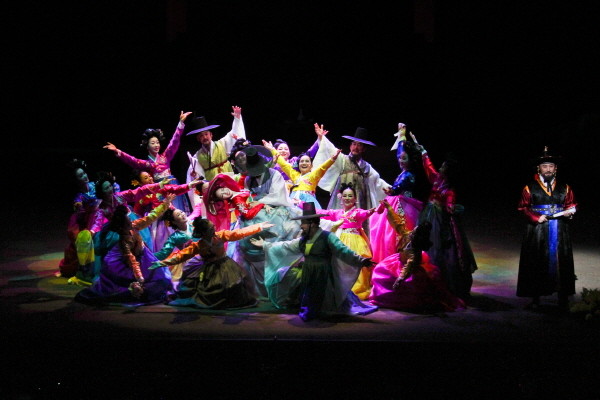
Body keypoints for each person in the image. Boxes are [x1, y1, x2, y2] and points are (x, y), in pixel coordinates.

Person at [251, 202, 378, 321]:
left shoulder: (327, 237)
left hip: (324, 273)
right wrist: (266, 245)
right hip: (308, 272)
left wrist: (361, 260)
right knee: (289, 279)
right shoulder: (304, 240)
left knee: (326, 302)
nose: (301, 226)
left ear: (312, 224)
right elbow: (286, 246)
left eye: (304, 223)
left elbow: (343, 251)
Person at [149, 217, 274, 309]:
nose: (214, 228)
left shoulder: (220, 236)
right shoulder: (198, 245)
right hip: (209, 269)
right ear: (204, 232)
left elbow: (238, 233)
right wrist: (163, 263)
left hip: (226, 266)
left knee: (232, 284)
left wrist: (258, 227)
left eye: (213, 226)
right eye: (211, 228)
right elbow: (181, 256)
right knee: (207, 287)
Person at [228, 145, 302, 297]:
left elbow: (278, 196)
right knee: (242, 237)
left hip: (276, 208)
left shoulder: (274, 174)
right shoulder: (248, 179)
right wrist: (250, 204)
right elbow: (248, 197)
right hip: (255, 212)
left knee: (281, 230)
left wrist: (261, 202)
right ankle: (253, 286)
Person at [74, 194, 176, 306]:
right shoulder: (124, 241)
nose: (130, 220)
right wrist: (139, 278)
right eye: (127, 220)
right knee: (127, 286)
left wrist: (165, 204)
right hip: (124, 262)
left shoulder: (134, 225)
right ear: (122, 226)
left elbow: (151, 217)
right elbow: (132, 261)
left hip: (141, 254)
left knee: (159, 276)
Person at [369, 199, 466, 312]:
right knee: (381, 270)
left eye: (414, 233)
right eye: (413, 231)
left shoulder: (414, 253)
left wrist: (400, 279)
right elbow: (397, 224)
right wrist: (389, 208)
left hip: (409, 270)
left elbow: (408, 267)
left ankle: (397, 300)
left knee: (410, 287)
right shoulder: (408, 235)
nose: (412, 232)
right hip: (397, 262)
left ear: (418, 237)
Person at [415, 140, 477, 301]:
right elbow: (429, 168)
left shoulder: (449, 190)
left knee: (439, 249)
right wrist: (423, 152)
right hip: (429, 216)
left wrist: (452, 208)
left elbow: (450, 205)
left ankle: (441, 280)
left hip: (439, 221)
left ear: (447, 173)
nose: (440, 168)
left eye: (443, 167)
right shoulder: (437, 179)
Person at [517, 146, 577, 310]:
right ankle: (535, 298)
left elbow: (571, 204)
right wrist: (536, 217)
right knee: (536, 260)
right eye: (545, 166)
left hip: (559, 229)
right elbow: (523, 207)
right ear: (539, 168)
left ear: (555, 168)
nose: (548, 169)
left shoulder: (565, 187)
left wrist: (569, 212)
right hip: (539, 230)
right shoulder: (529, 187)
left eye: (551, 166)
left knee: (561, 262)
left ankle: (563, 298)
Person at [103, 111, 193, 213]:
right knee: (164, 214)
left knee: (178, 213)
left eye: (158, 142)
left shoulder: (166, 156)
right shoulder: (147, 164)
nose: (156, 145)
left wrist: (180, 123)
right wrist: (118, 151)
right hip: (159, 190)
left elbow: (174, 142)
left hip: (172, 186)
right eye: (153, 143)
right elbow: (132, 160)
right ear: (147, 146)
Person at [369, 123, 425, 264]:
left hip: (405, 208)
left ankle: (400, 261)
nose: (400, 160)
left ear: (411, 159)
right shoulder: (404, 172)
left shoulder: (409, 175)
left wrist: (392, 191)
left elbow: (399, 187)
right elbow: (401, 150)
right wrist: (402, 135)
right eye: (399, 157)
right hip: (398, 203)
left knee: (400, 233)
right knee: (388, 230)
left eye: (404, 158)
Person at [317, 183, 376, 300]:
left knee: (354, 262)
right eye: (345, 196)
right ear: (341, 198)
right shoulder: (337, 213)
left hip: (355, 241)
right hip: (339, 239)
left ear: (355, 199)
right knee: (337, 264)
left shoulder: (357, 212)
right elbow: (321, 212)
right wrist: (301, 204)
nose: (347, 198)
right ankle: (339, 288)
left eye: (350, 196)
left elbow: (365, 213)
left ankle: (355, 289)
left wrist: (371, 211)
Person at [312, 125, 391, 212]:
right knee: (340, 217)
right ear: (350, 146)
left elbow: (378, 181)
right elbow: (329, 149)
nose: (355, 147)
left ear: (364, 149)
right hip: (342, 199)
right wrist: (321, 138)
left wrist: (391, 189)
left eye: (359, 145)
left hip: (361, 200)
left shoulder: (366, 167)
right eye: (354, 144)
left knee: (359, 216)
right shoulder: (342, 159)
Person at [185, 106, 246, 206]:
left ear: (211, 135)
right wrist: (194, 174)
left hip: (228, 178)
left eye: (206, 134)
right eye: (201, 136)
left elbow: (234, 134)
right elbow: (194, 174)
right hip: (212, 185)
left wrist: (237, 119)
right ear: (198, 139)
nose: (204, 137)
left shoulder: (222, 143)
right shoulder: (197, 156)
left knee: (233, 204)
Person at [263, 138, 341, 209]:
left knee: (308, 217)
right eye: (302, 161)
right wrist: (272, 149)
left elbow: (322, 168)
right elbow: (283, 164)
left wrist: (332, 159)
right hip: (293, 201)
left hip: (307, 200)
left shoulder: (313, 175)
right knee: (293, 218)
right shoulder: (294, 175)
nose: (304, 163)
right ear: (298, 165)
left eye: (307, 161)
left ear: (311, 166)